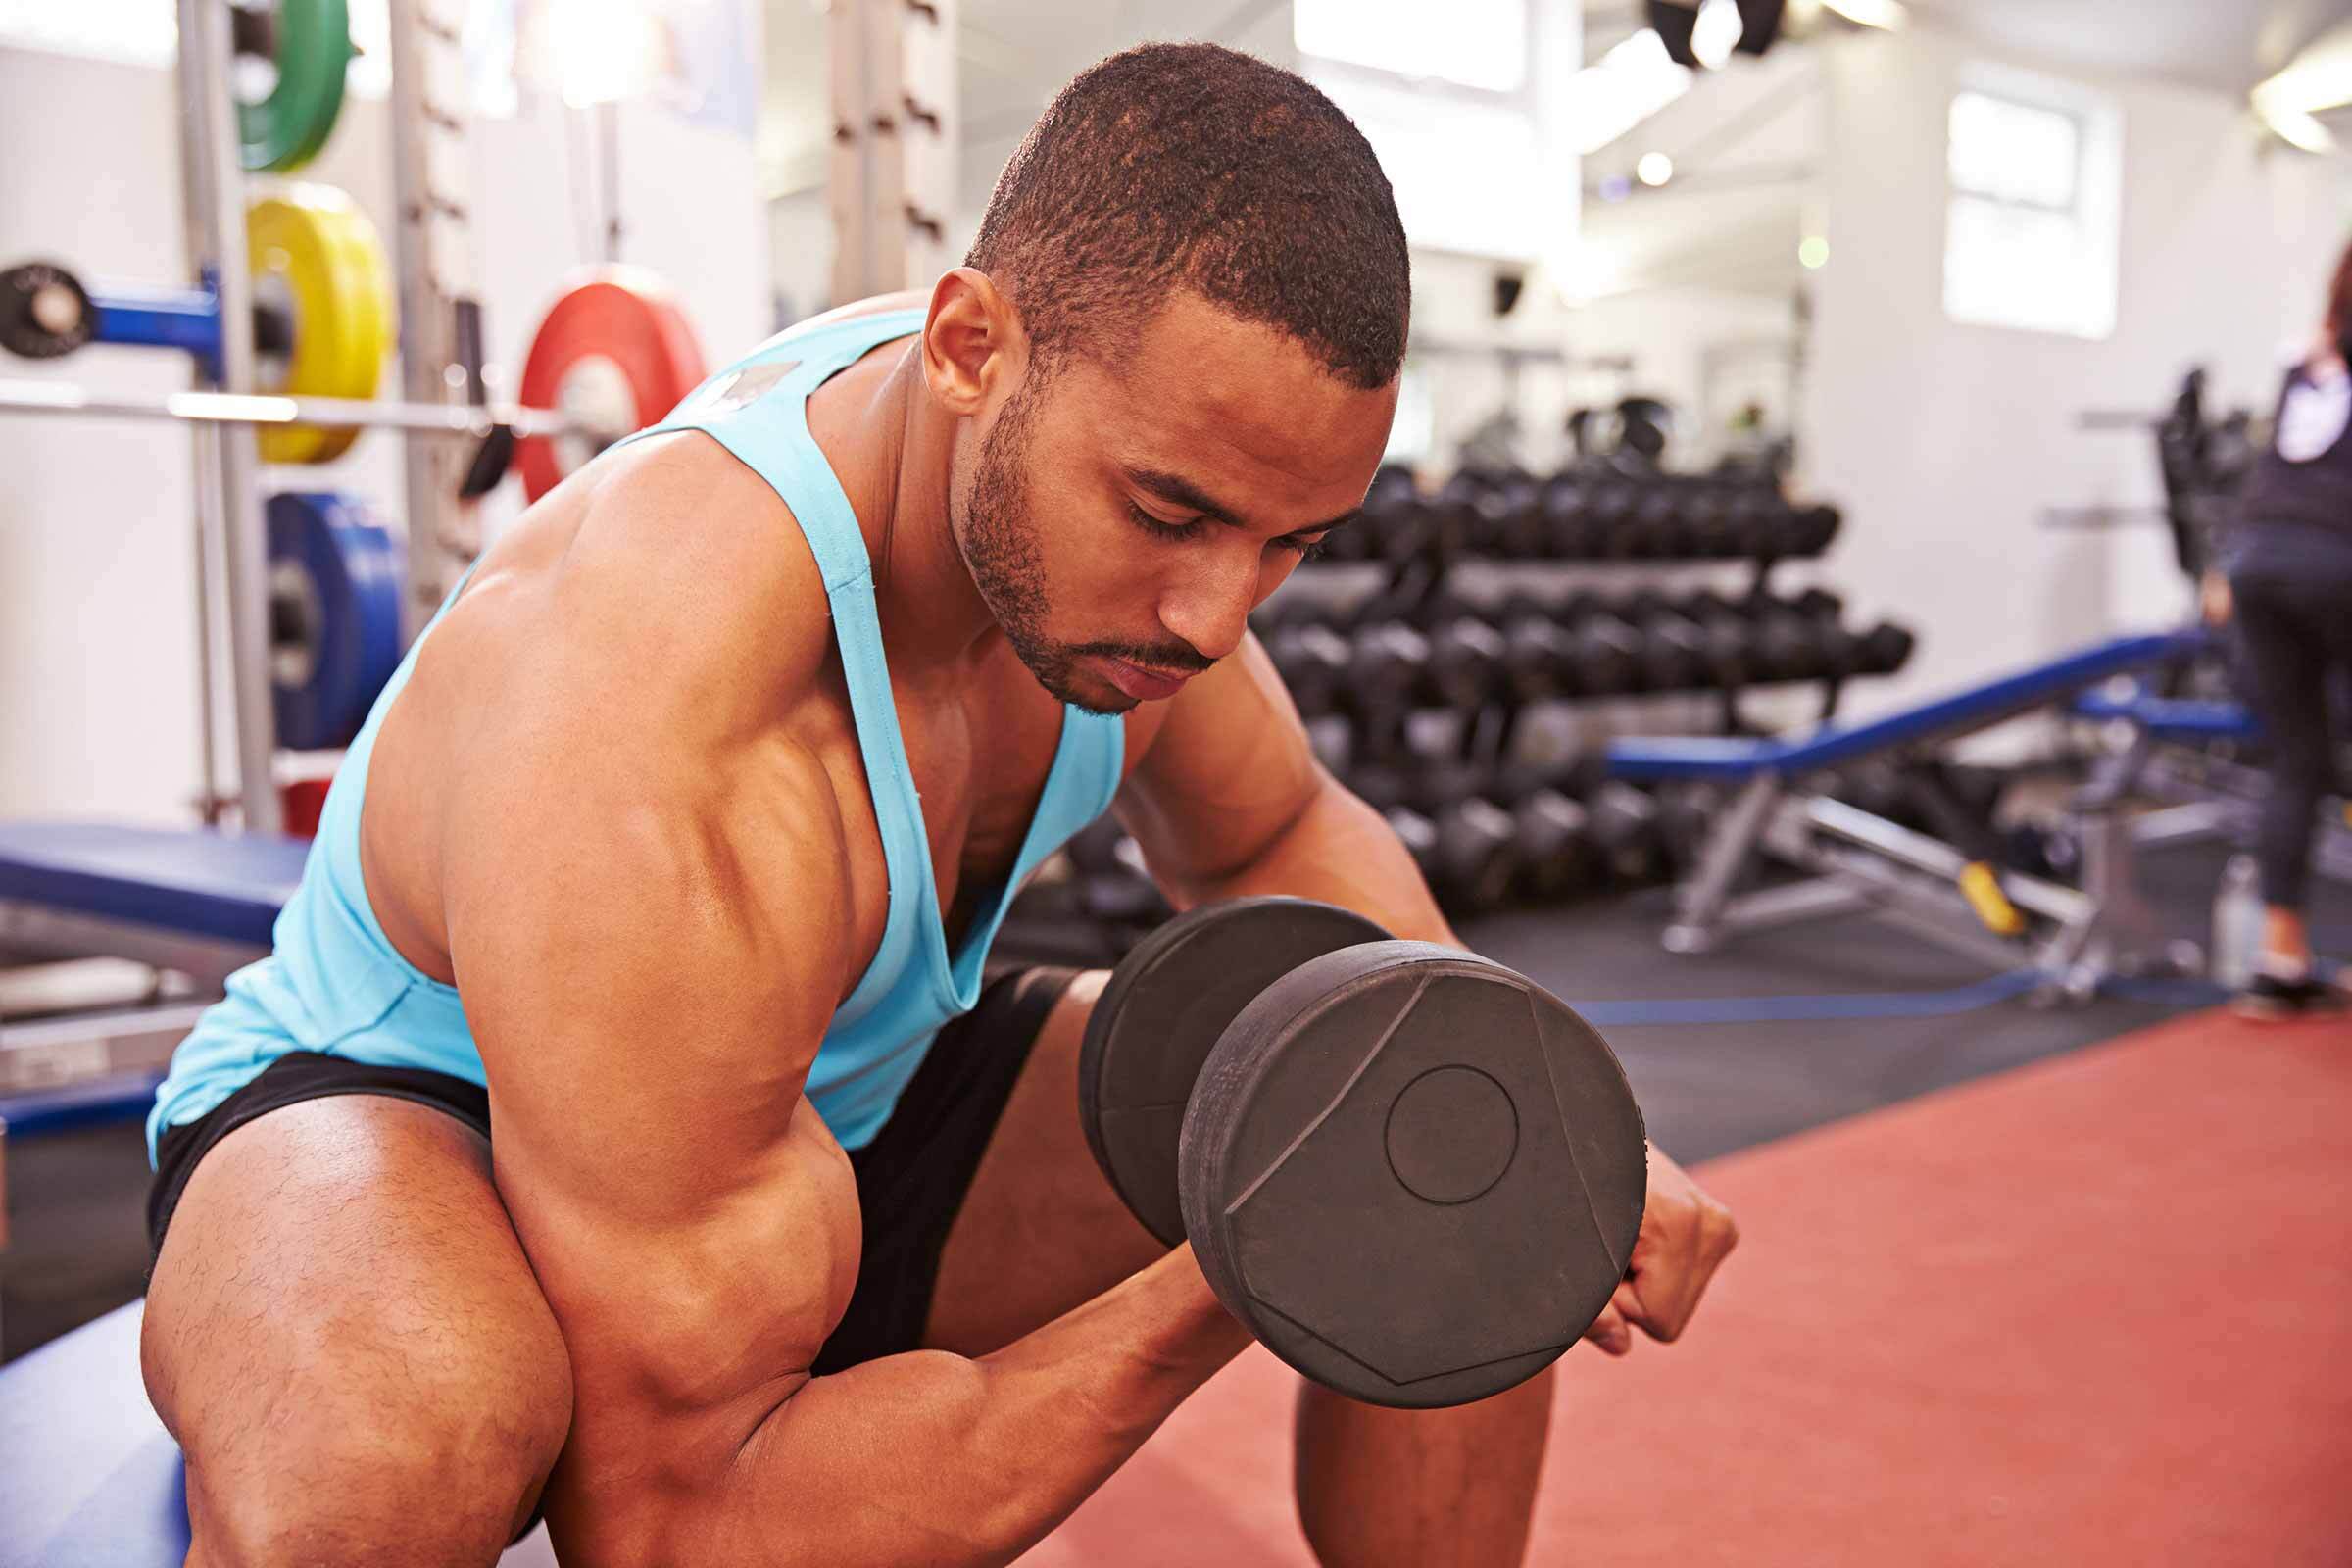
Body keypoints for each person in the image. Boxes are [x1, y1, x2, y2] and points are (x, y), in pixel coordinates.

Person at [138, 44, 1739, 1567]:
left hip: (830, 1109)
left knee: (1474, 1134)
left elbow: (1272, 833)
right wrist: (1250, 1265)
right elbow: (685, 1530)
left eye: (1286, 545)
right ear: (970, 348)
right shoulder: (652, 705)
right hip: (411, 1109)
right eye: (1173, 511)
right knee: (397, 1449)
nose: (1213, 622)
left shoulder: (1094, 490)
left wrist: (1518, 1111)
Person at [2203, 236, 2352, 1019]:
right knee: (2315, 751)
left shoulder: (2304, 364)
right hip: (2335, 564)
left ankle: (2280, 958)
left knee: (2300, 757)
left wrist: (2224, 567)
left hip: (2260, 565)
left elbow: (2270, 478)